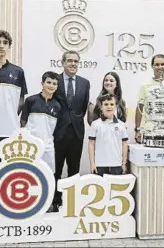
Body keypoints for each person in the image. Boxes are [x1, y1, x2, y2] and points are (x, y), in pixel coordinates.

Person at [52, 50, 90, 211]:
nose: (73, 64)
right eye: (70, 61)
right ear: (63, 63)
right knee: (56, 169)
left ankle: (71, 200)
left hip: (76, 132)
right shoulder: (55, 81)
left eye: (76, 61)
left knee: (74, 169)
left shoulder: (84, 83)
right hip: (58, 132)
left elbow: (83, 107)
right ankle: (55, 200)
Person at [0, 29, 28, 168]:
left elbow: (21, 100)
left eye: (5, 43)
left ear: (9, 46)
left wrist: (11, 116)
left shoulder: (18, 71)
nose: (2, 46)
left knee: (6, 170)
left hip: (10, 130)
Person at [135, 54, 164, 142]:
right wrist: (137, 130)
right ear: (152, 66)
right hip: (150, 129)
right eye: (157, 64)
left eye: (162, 64)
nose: (160, 67)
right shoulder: (144, 85)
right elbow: (139, 107)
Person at [20, 71, 61, 173]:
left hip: (48, 147)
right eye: (48, 82)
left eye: (54, 84)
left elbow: (55, 129)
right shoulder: (31, 100)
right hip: (30, 146)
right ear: (42, 84)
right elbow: (23, 121)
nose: (51, 86)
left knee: (47, 175)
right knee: (29, 174)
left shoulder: (57, 106)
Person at [88, 94, 128, 176]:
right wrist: (92, 163)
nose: (109, 107)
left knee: (116, 188)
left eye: (111, 104)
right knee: (100, 188)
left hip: (117, 164)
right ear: (101, 107)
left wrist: (124, 163)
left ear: (116, 106)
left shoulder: (121, 125)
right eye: (106, 104)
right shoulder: (95, 124)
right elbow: (91, 144)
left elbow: (124, 145)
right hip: (99, 165)